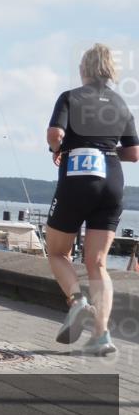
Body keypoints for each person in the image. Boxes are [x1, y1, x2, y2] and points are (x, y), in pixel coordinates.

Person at [46, 43, 139, 355]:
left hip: (77, 178)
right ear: (111, 71)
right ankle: (101, 334)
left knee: (57, 252)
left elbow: (55, 134)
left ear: (84, 70)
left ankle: (77, 300)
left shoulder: (71, 97)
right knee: (98, 262)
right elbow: (133, 153)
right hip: (112, 180)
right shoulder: (121, 104)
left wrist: (56, 150)